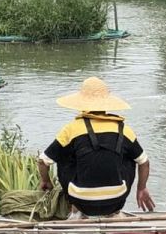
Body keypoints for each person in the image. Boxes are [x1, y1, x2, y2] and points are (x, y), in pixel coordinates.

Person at [37, 77, 154, 218]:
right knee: (131, 158)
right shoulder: (124, 129)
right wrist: (141, 188)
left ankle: (75, 211)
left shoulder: (72, 129)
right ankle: (114, 213)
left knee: (63, 154)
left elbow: (42, 162)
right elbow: (144, 163)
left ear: (82, 103)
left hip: (80, 201)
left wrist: (46, 181)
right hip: (115, 201)